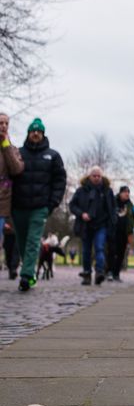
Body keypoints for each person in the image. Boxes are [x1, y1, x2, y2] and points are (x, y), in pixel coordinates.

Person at [10, 119, 67, 292]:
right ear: (28, 133)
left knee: (33, 241)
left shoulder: (53, 156)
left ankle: (26, 276)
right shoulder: (18, 153)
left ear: (43, 134)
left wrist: (52, 203)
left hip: (40, 207)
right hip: (18, 206)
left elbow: (60, 181)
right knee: (22, 242)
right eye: (33, 131)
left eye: (39, 131)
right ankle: (30, 271)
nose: (36, 134)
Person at [68, 165, 117, 286]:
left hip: (101, 225)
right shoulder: (81, 191)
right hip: (85, 225)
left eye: (98, 176)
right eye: (94, 176)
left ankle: (99, 272)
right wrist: (82, 214)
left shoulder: (107, 191)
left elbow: (112, 208)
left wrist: (113, 222)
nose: (96, 178)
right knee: (86, 251)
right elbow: (72, 205)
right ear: (89, 176)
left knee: (100, 247)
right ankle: (87, 274)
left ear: (102, 176)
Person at [0, 112, 25, 279]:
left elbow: (17, 169)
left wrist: (6, 145)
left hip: (4, 204)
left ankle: (12, 267)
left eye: (6, 123)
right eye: (0, 123)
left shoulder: (12, 149)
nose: (3, 126)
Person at [109, 185, 134, 281]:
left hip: (124, 232)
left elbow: (133, 217)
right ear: (120, 193)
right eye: (125, 192)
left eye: (128, 192)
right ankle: (109, 272)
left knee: (121, 253)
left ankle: (116, 274)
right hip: (113, 231)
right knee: (112, 252)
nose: (127, 194)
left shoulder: (130, 205)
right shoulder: (113, 202)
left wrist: (130, 230)